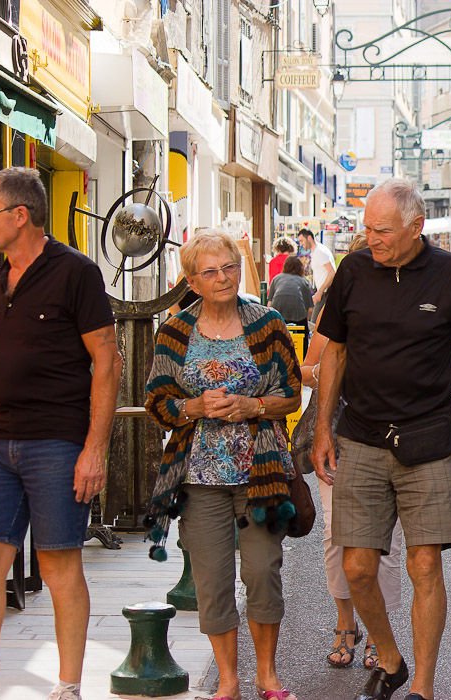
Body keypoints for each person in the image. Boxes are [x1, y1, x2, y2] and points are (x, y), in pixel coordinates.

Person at [311, 179, 451, 700]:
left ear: (416, 227)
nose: (371, 238)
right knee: (357, 566)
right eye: (367, 228)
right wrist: (323, 428)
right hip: (362, 438)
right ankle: (389, 659)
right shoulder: (353, 270)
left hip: (429, 438)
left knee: (424, 563)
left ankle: (424, 690)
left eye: (381, 230)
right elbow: (335, 353)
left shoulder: (450, 273)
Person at [144, 230, 303, 700]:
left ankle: (267, 675)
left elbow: (291, 393)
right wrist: (192, 408)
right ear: (192, 281)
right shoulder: (175, 330)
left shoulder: (267, 323)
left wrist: (252, 407)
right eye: (210, 271)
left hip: (261, 472)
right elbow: (156, 399)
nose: (223, 278)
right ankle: (228, 681)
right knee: (212, 582)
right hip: (199, 477)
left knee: (262, 572)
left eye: (229, 267)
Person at [0, 167, 121, 700]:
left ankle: (67, 687)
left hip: (57, 441)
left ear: (21, 216)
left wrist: (95, 449)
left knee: (59, 561)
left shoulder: (75, 273)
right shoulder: (0, 278)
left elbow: (107, 360)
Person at [300, 234, 403, 672]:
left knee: (386, 543)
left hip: (394, 439)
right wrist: (332, 370)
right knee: (333, 534)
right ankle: (346, 621)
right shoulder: (334, 312)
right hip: (339, 437)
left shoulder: (406, 310)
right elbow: (305, 370)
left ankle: (381, 633)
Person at [297, 228, 336, 324]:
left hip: (325, 292)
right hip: (323, 292)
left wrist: (320, 291)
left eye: (302, 241)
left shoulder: (320, 251)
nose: (301, 244)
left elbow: (332, 272)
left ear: (309, 238)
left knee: (314, 323)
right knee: (318, 323)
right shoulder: (317, 251)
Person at [268, 255, 313, 328]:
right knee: (301, 335)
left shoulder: (276, 279)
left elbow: (269, 304)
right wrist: (305, 322)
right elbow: (310, 309)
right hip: (298, 314)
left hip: (277, 313)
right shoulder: (303, 282)